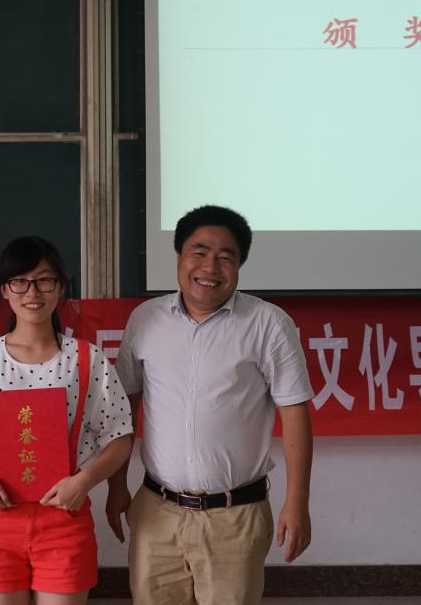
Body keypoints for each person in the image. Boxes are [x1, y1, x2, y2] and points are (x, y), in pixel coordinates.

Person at [105, 205, 315, 604]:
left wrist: (297, 502)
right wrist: (117, 486)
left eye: (225, 257)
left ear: (239, 266)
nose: (210, 267)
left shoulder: (268, 324)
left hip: (235, 517)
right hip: (156, 512)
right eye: (199, 252)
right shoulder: (145, 320)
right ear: (179, 257)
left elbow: (295, 415)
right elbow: (124, 410)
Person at [0, 236, 134, 605]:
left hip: (64, 518)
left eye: (45, 280)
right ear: (5, 290)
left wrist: (85, 482)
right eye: (20, 281)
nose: (33, 292)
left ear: (60, 288)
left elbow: (119, 434)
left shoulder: (85, 359)